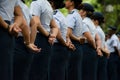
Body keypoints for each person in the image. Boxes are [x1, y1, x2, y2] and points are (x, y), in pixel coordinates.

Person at [29, 0, 58, 80]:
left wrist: (49, 35)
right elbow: (55, 27)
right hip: (47, 41)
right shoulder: (48, 5)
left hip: (37, 38)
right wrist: (53, 36)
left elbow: (36, 23)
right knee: (42, 72)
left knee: (33, 71)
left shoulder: (36, 3)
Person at [13, 0, 41, 80]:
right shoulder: (25, 6)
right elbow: (34, 24)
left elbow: (24, 24)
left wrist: (28, 43)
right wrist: (31, 42)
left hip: (17, 41)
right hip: (25, 42)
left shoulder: (15, 3)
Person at [48, 0, 75, 80]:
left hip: (57, 48)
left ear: (52, 3)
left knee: (55, 75)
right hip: (60, 48)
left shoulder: (55, 16)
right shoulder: (60, 15)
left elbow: (58, 35)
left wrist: (65, 44)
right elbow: (66, 34)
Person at [78, 3, 102, 80]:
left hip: (86, 49)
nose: (79, 11)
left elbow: (90, 39)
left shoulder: (84, 22)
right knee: (91, 74)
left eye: (81, 9)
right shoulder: (92, 23)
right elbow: (98, 38)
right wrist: (98, 48)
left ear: (84, 12)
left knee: (84, 74)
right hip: (91, 50)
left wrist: (95, 48)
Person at [0, 0, 22, 80]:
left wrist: (14, 26)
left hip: (6, 28)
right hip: (7, 29)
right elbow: (19, 15)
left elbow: (19, 15)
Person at [64, 0, 86, 80]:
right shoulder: (77, 15)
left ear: (72, 2)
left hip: (72, 47)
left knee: (71, 75)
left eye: (67, 0)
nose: (65, 1)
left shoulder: (72, 15)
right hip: (77, 47)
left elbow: (68, 33)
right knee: (75, 74)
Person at [92, 12, 110, 80]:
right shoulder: (100, 30)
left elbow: (98, 44)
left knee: (100, 75)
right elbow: (104, 44)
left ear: (96, 21)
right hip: (103, 54)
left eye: (92, 20)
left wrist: (105, 52)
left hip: (100, 55)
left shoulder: (96, 30)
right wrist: (107, 51)